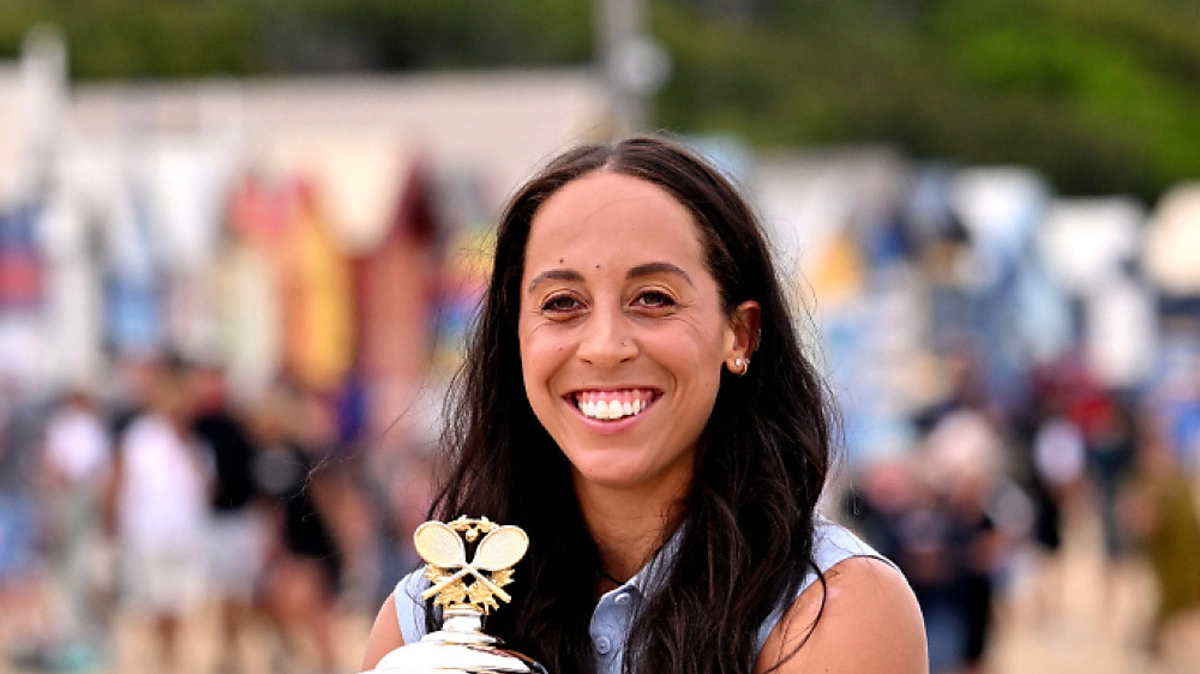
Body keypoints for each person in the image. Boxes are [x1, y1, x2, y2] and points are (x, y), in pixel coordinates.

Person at [362, 136, 926, 674]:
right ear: (514, 337)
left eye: (653, 298)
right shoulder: (423, 622)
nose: (605, 346)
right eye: (562, 303)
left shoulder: (833, 606)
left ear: (740, 334)